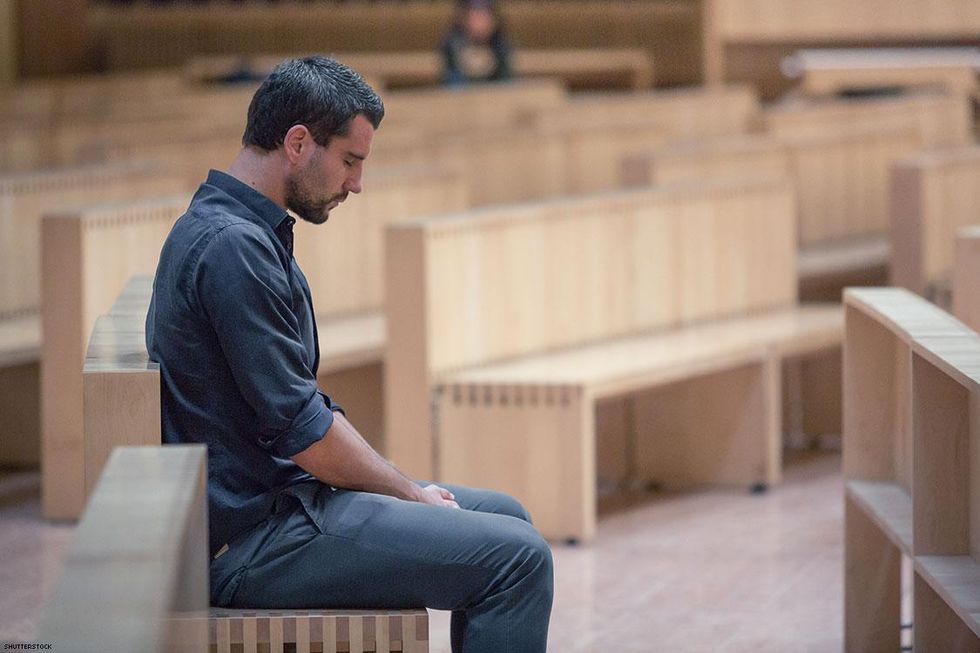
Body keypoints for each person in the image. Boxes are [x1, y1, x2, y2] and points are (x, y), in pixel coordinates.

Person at [145, 56, 552, 652]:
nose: (356, 183)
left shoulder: (240, 229)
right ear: (298, 143)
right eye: (349, 161)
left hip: (280, 504)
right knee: (520, 560)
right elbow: (303, 432)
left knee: (506, 514)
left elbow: (297, 411)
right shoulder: (232, 247)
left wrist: (402, 490)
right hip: (253, 540)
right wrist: (410, 494)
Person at [441, 0, 513, 86]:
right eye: (476, 16)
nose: (481, 23)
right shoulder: (451, 46)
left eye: (486, 16)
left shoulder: (501, 46)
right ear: (463, 19)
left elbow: (506, 82)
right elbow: (452, 82)